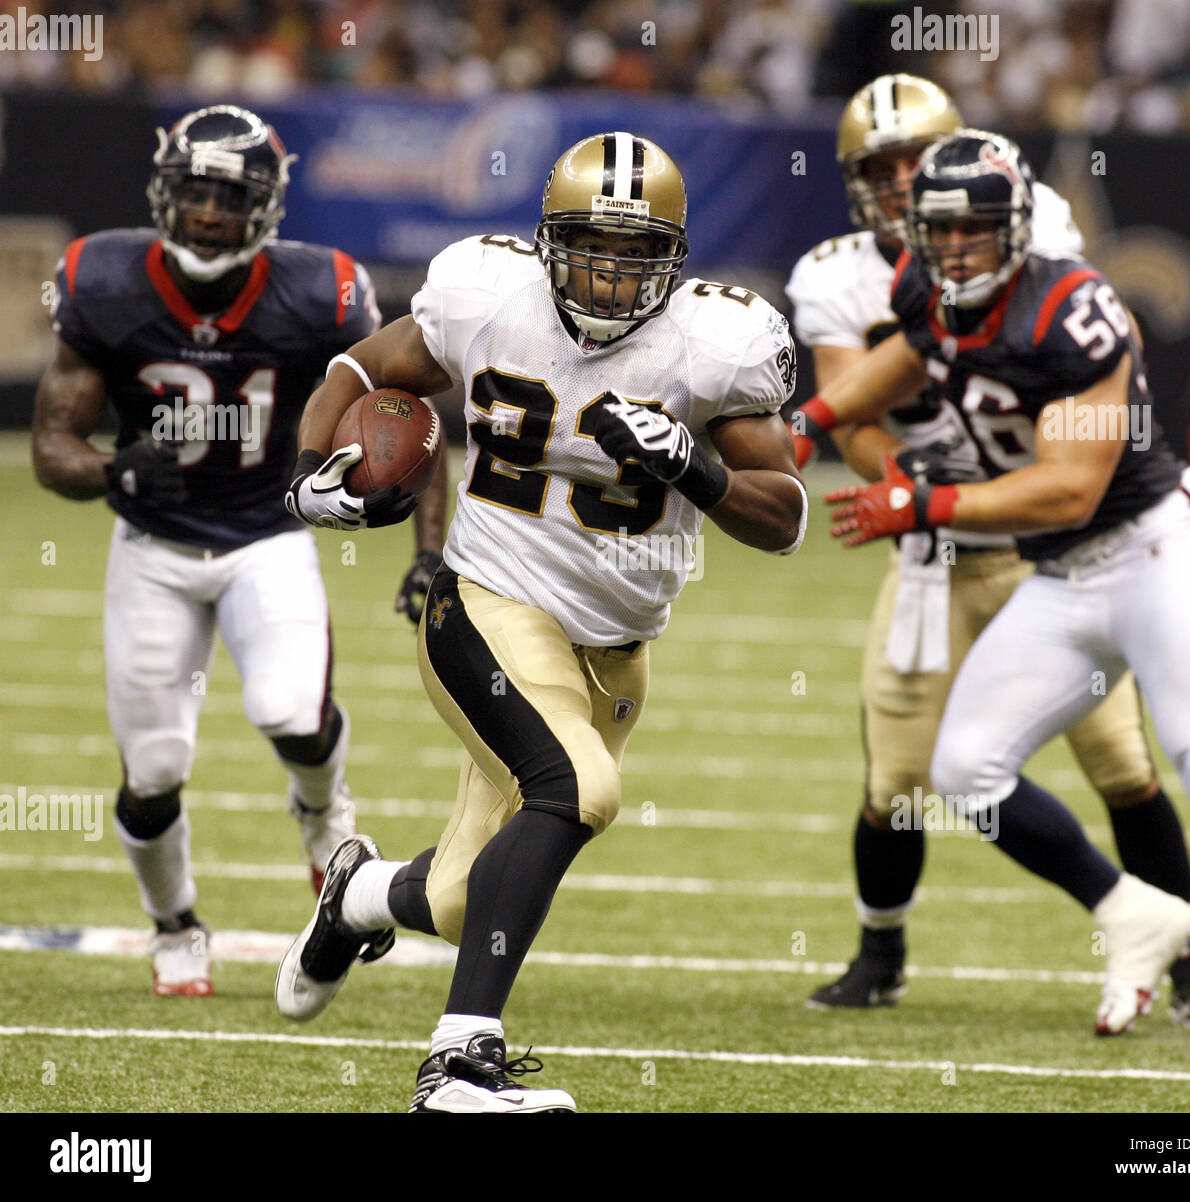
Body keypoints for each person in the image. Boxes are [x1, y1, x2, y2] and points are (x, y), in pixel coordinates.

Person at [274, 132, 805, 1111]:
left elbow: (784, 518)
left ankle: (352, 896)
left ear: (676, 262)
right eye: (588, 248)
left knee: (458, 896)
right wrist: (311, 466)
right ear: (546, 242)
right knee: (576, 785)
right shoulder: (486, 296)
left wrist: (690, 460)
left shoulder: (713, 346)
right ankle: (460, 1062)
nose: (607, 277)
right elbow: (364, 362)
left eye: (634, 255)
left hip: (611, 647)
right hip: (483, 601)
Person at [791, 128, 1190, 1053]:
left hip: (1150, 556)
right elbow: (916, 347)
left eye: (970, 231)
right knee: (961, 769)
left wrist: (924, 504)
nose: (951, 250)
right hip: (1059, 574)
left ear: (1018, 229)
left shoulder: (1074, 310)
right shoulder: (928, 288)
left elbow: (1072, 484)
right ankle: (1132, 911)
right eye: (936, 231)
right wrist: (819, 416)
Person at [31, 105, 387, 997]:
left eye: (229, 198)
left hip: (267, 534)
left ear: (264, 207)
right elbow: (50, 446)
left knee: (292, 717)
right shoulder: (103, 277)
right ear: (165, 191)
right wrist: (117, 475)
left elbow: (396, 409)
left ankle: (326, 826)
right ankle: (176, 927)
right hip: (153, 546)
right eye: (195, 193)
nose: (208, 214)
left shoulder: (323, 289)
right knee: (151, 771)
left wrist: (421, 542)